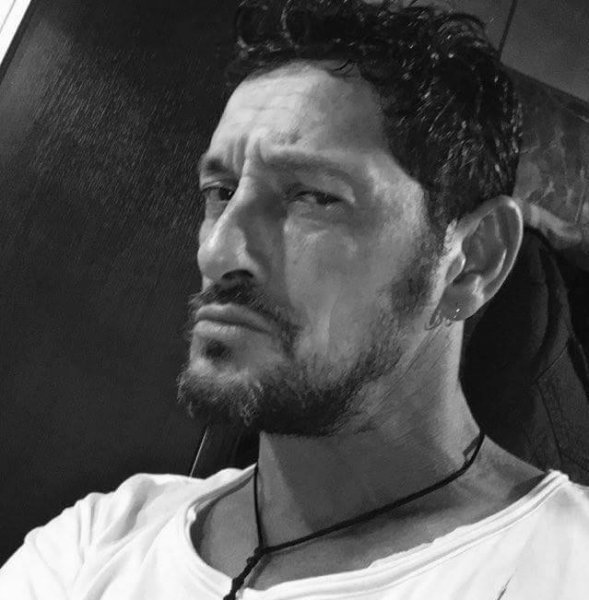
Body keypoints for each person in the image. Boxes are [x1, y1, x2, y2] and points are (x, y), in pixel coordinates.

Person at [1, 0, 588, 598]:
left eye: (312, 196)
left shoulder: (566, 565)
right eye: (220, 191)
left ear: (471, 261)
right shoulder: (98, 539)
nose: (218, 252)